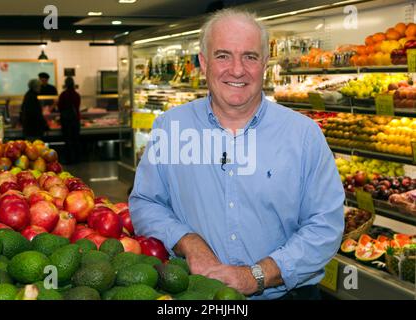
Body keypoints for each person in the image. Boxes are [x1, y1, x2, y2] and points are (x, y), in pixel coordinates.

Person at [129, 8, 345, 300]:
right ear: (204, 62)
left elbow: (325, 225)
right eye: (223, 55)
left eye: (250, 57)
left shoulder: (304, 134)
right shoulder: (171, 127)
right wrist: (187, 241)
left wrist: (258, 274)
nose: (237, 69)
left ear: (265, 64)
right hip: (196, 295)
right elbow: (146, 202)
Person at [57, 77, 81, 164]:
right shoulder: (76, 95)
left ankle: (69, 159)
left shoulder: (63, 95)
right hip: (75, 121)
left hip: (66, 121)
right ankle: (77, 159)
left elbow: (60, 107)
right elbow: (77, 107)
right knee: (76, 140)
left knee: (68, 141)